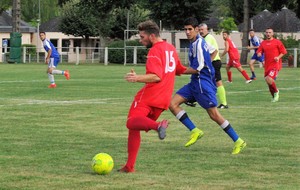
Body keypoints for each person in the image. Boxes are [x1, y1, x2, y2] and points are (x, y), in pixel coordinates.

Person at [169, 17, 246, 154]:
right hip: (195, 82)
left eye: (190, 29)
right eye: (185, 29)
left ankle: (238, 141)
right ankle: (195, 131)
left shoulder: (198, 44)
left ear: (197, 29)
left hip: (202, 84)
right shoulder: (198, 42)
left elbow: (197, 69)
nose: (187, 32)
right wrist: (207, 63)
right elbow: (213, 51)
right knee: (172, 104)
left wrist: (178, 70)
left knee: (214, 115)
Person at [118, 20, 187, 173]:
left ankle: (158, 126)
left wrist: (137, 78)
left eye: (142, 37)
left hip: (150, 96)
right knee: (135, 128)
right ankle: (129, 166)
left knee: (131, 122)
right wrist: (199, 70)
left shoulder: (155, 50)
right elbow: (180, 69)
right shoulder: (170, 48)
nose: (141, 40)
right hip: (163, 100)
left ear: (152, 36)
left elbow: (156, 76)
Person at [199, 23, 228, 109]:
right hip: (212, 62)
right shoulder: (204, 38)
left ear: (206, 29)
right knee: (209, 82)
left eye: (202, 30)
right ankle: (210, 100)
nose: (201, 31)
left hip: (214, 62)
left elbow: (209, 52)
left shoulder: (208, 38)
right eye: (199, 30)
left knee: (217, 82)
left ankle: (224, 103)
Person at [256, 28, 287, 102]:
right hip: (267, 65)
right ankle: (274, 97)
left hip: (275, 65)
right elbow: (259, 52)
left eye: (270, 32)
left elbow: (283, 52)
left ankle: (276, 92)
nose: (268, 34)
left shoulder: (277, 42)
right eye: (267, 32)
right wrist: (259, 54)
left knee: (269, 79)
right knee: (268, 81)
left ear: (273, 33)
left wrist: (278, 57)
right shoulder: (263, 43)